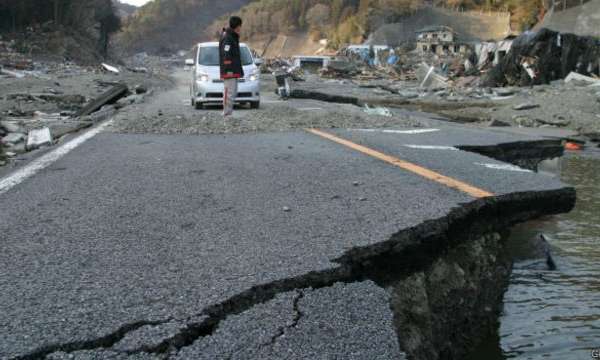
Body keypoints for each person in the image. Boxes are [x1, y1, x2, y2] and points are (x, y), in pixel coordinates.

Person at [219, 16, 244, 117]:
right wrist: (229, 68)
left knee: (232, 91)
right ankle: (226, 112)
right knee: (229, 91)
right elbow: (226, 53)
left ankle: (228, 112)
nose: (240, 28)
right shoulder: (228, 37)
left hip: (233, 69)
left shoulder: (232, 36)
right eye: (240, 26)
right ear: (237, 26)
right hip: (229, 70)